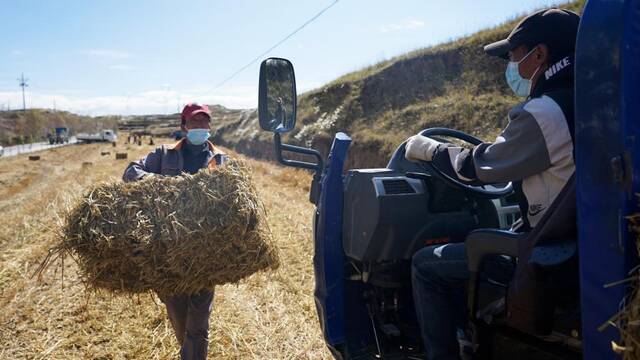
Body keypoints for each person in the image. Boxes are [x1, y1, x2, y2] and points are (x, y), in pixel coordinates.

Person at [405, 9, 580, 360]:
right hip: (573, 246)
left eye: (514, 55)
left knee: (425, 265)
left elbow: (472, 168)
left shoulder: (544, 113)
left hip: (545, 259)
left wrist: (430, 149)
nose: (511, 65)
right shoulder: (583, 101)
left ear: (540, 55)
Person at [122, 103, 227, 360]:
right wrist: (166, 184)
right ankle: (189, 352)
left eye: (204, 123)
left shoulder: (220, 159)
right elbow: (130, 173)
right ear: (184, 127)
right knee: (181, 320)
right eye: (194, 123)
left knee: (198, 325)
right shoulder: (164, 154)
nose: (200, 128)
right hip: (168, 254)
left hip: (205, 254)